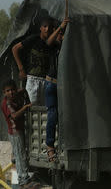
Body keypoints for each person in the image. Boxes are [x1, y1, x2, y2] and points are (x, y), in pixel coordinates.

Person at [12, 17, 54, 105]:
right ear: (40, 28)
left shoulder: (52, 43)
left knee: (44, 109)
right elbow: (15, 49)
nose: (47, 29)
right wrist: (21, 69)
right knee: (31, 106)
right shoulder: (34, 39)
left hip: (45, 80)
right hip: (33, 79)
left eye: (49, 28)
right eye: (45, 26)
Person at [1, 79, 34, 188]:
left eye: (12, 90)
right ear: (4, 93)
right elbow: (14, 116)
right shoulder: (7, 103)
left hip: (20, 130)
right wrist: (25, 107)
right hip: (15, 132)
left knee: (19, 154)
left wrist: (27, 100)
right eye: (8, 91)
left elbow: (24, 91)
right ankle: (23, 180)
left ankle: (24, 179)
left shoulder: (18, 95)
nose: (11, 92)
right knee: (20, 155)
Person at [44, 18, 69, 162]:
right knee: (52, 115)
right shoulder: (53, 45)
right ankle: (50, 146)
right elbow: (48, 41)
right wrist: (60, 27)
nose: (61, 35)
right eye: (58, 32)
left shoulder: (67, 45)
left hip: (64, 85)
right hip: (51, 84)